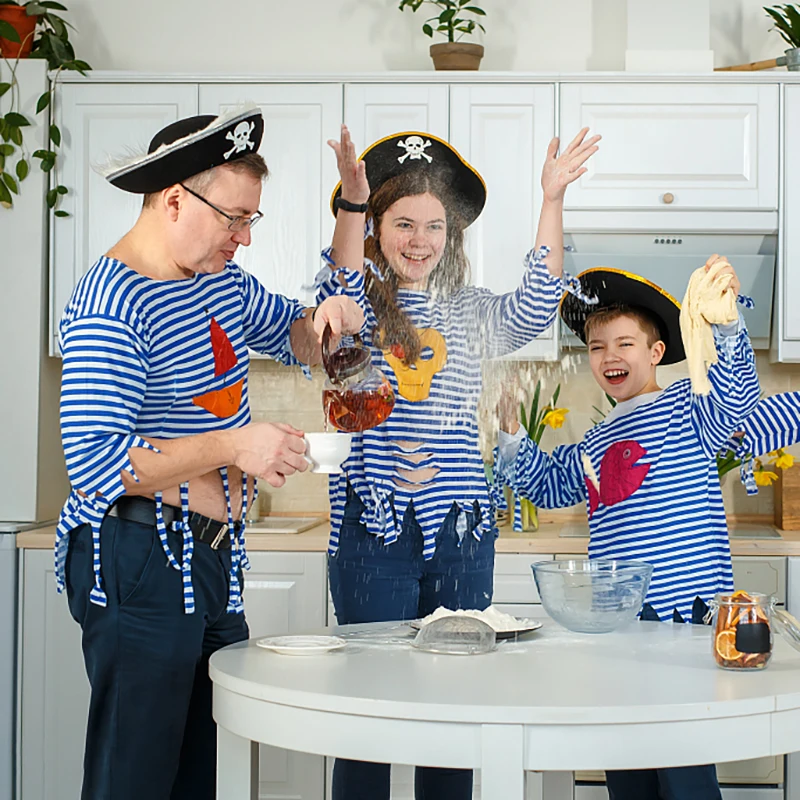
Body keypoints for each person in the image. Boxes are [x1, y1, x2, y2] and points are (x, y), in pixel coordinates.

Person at [56, 106, 364, 800]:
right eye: (234, 218)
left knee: (201, 776)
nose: (244, 238)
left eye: (251, 219)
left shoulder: (217, 281)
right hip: (139, 558)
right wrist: (234, 444)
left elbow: (297, 338)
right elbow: (98, 464)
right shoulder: (112, 303)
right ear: (173, 200)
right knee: (134, 781)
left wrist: (324, 317)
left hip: (210, 558)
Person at [316, 124, 599, 800]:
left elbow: (539, 302)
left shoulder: (472, 312)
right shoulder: (355, 312)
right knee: (368, 712)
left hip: (462, 534)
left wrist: (552, 198)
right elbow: (339, 277)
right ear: (377, 229)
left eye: (434, 226)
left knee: (453, 708)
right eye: (403, 223)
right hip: (372, 532)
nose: (420, 240)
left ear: (453, 235)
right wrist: (351, 201)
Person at [493, 258, 760, 800]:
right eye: (596, 347)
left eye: (624, 344)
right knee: (627, 763)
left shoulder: (689, 407)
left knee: (684, 768)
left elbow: (736, 401)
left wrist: (728, 328)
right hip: (618, 627)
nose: (609, 356)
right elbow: (548, 483)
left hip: (683, 624)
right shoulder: (597, 440)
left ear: (656, 352)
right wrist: (511, 433)